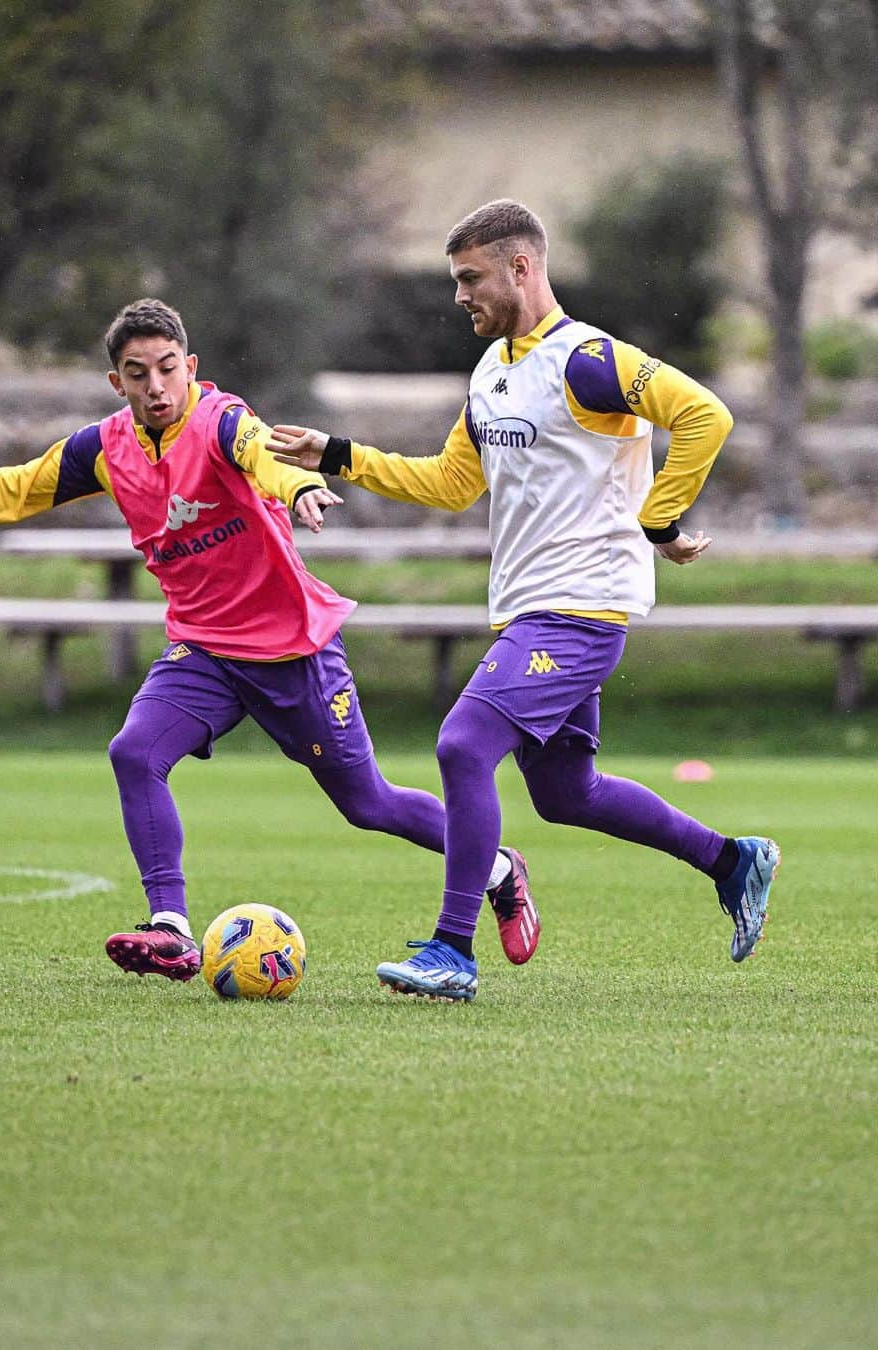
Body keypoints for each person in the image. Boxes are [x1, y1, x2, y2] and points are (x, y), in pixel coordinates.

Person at [0, 298, 537, 980]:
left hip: (291, 650)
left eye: (165, 369)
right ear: (116, 383)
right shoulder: (104, 448)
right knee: (134, 752)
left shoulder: (221, 423)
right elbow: (17, 488)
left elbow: (264, 453)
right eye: (136, 374)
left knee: (369, 804)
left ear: (189, 367)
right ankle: (171, 928)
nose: (154, 387)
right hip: (204, 650)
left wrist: (302, 485)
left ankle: (498, 868)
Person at [269, 199, 779, 1002]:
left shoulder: (587, 360)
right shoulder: (493, 370)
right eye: (455, 280)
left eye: (470, 278)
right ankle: (730, 859)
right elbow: (451, 483)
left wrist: (660, 519)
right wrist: (340, 455)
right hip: (531, 607)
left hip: (580, 607)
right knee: (565, 794)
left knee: (463, 745)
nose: (460, 296)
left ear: (521, 267)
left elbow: (704, 415)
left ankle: (450, 949)